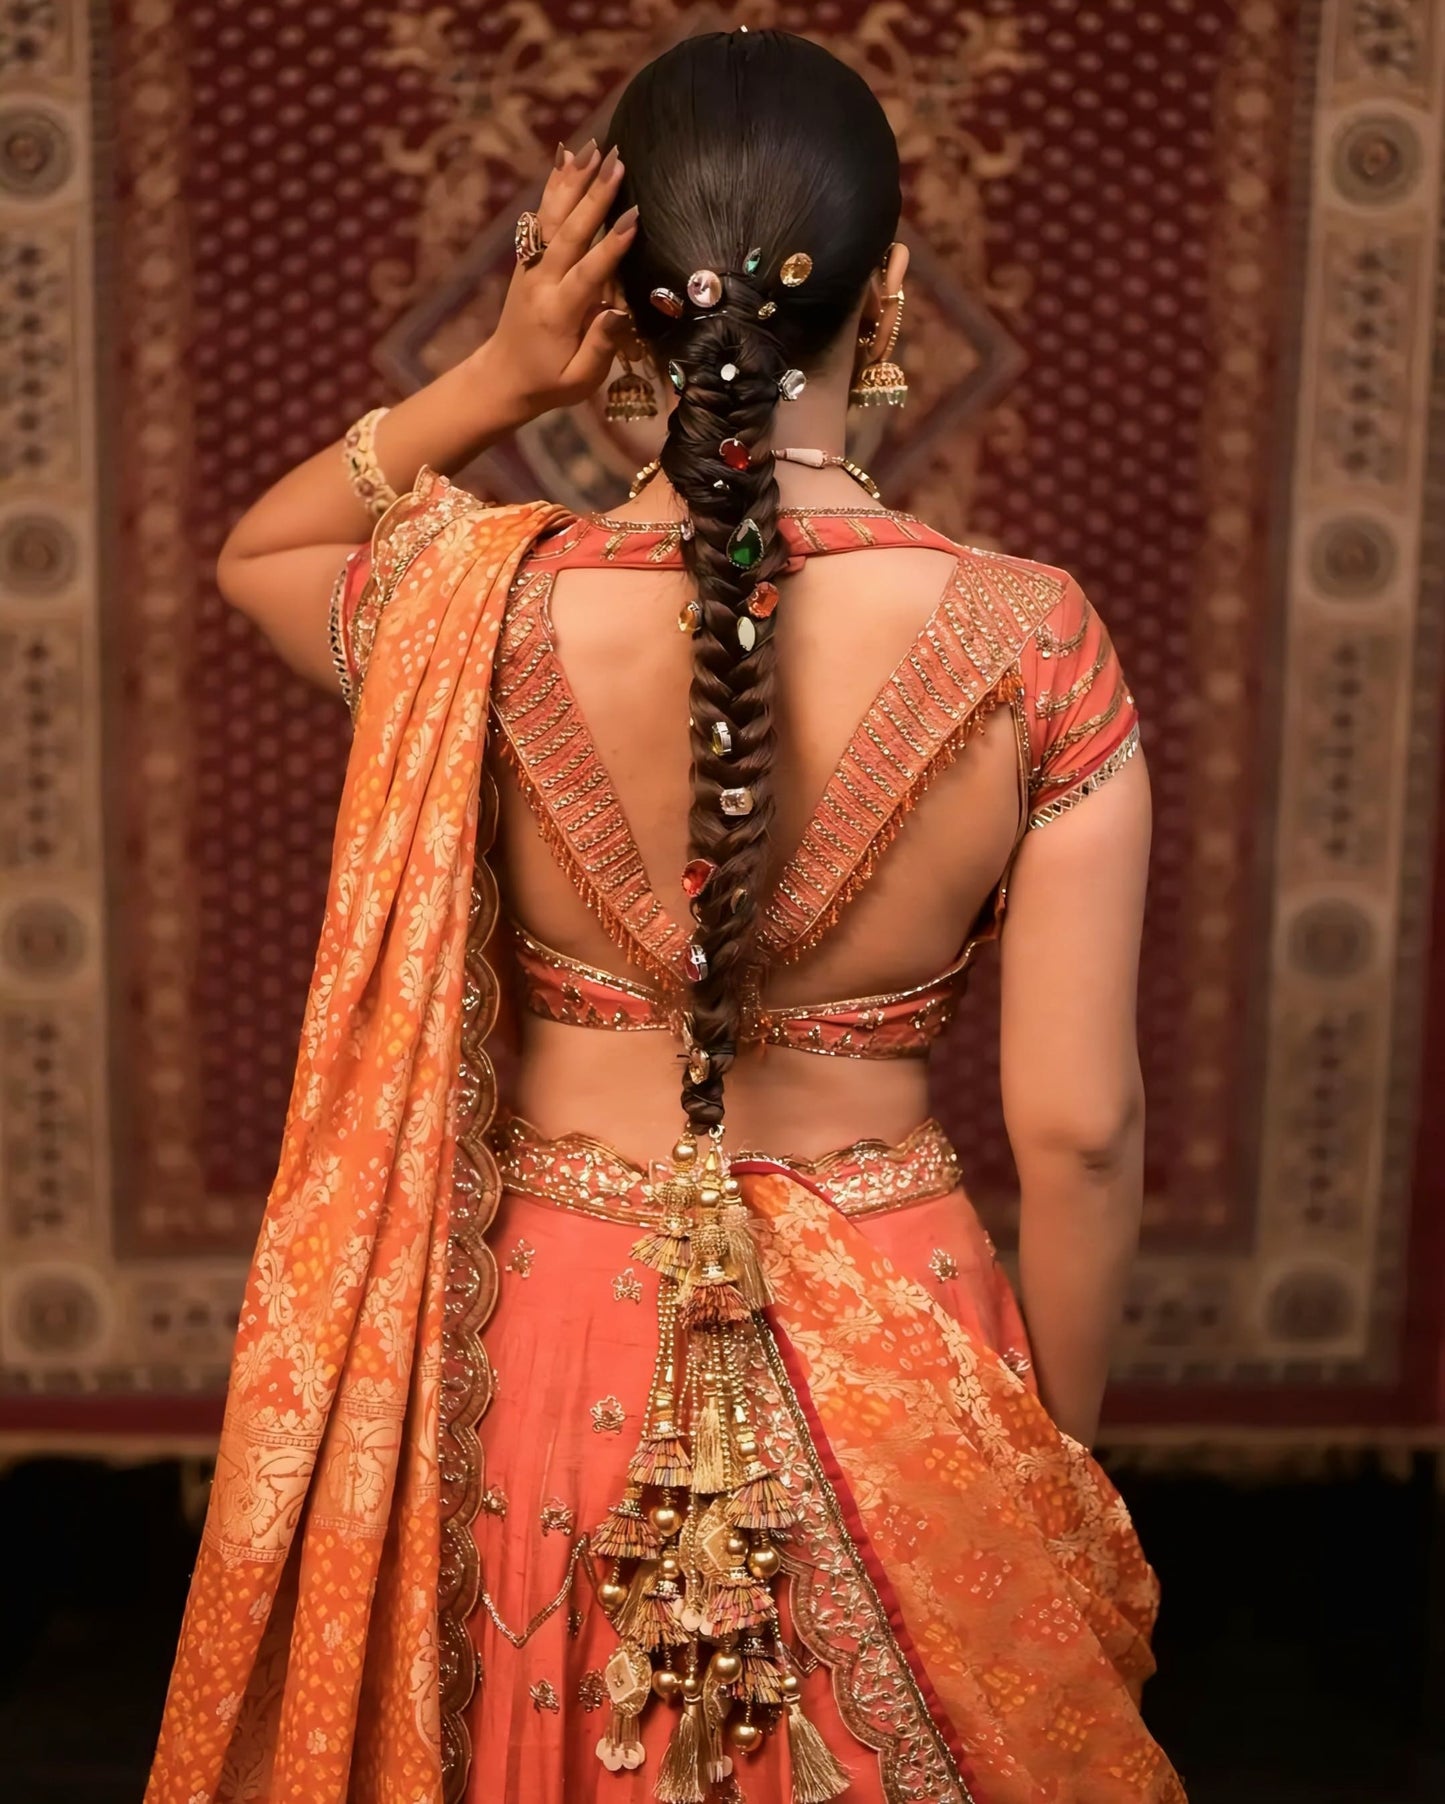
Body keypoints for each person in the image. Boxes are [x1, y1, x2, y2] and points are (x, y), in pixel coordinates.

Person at [146, 28, 1182, 1804]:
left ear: (613, 304)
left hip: (548, 1334)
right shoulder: (1028, 637)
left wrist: (490, 377)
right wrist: (1050, 1457)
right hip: (905, 1323)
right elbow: (1078, 1133)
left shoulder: (480, 605)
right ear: (897, 289)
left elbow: (265, 552)